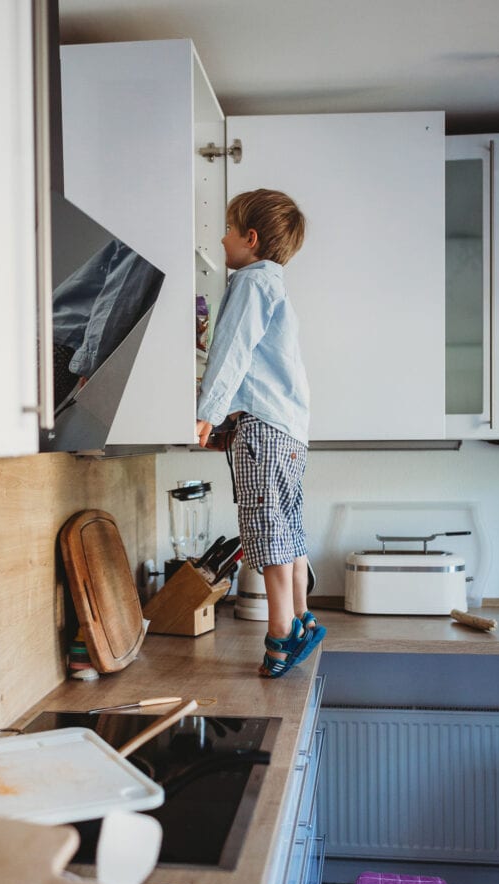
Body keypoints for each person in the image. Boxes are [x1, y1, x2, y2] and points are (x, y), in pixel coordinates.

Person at [196, 188, 326, 678]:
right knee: (288, 529)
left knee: (265, 530)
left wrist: (208, 412)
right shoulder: (276, 287)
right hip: (291, 431)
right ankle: (302, 615)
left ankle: (280, 635)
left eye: (228, 229)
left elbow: (232, 351)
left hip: (264, 429)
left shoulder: (250, 284)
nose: (222, 238)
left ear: (250, 239)